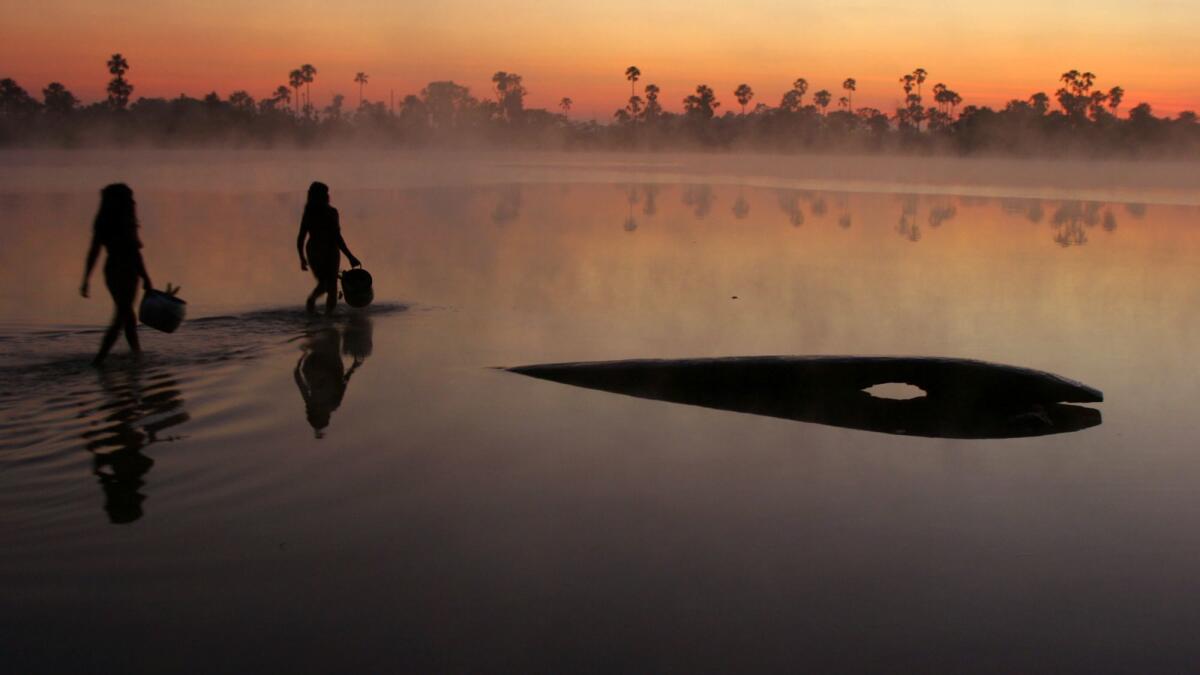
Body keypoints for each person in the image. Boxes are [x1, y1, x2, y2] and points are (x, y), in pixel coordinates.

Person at [81, 183, 153, 365]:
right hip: (127, 269)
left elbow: (94, 251)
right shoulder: (125, 222)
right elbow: (134, 252)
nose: (133, 201)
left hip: (112, 269)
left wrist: (86, 279)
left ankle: (137, 354)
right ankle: (99, 360)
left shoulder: (103, 221)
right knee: (122, 316)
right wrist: (145, 277)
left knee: (127, 315)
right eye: (129, 198)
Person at [297, 182, 360, 314]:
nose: (327, 196)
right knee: (327, 284)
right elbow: (302, 237)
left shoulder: (322, 213)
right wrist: (302, 258)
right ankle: (313, 303)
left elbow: (302, 238)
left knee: (330, 285)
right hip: (319, 250)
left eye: (326, 193)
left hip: (325, 250)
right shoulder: (321, 213)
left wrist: (302, 257)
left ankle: (326, 316)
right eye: (324, 194)